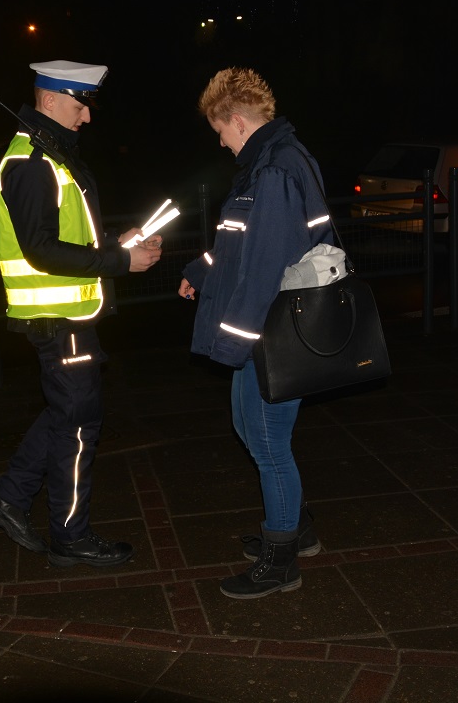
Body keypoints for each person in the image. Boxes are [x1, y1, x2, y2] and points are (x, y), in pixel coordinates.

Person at [0, 60, 162, 568]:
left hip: (66, 318)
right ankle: (70, 536)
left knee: (68, 415)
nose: (87, 116)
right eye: (82, 104)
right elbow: (41, 250)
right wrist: (119, 261)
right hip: (58, 321)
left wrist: (116, 243)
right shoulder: (32, 161)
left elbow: (65, 237)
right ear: (51, 100)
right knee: (79, 427)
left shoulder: (47, 153)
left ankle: (8, 499)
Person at [177, 68, 330, 599]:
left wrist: (231, 344)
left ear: (238, 121)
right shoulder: (268, 164)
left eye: (220, 130)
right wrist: (200, 272)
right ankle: (296, 527)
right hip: (267, 330)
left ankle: (282, 558)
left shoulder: (275, 171)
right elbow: (239, 244)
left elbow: (264, 270)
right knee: (250, 428)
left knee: (267, 442)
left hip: (272, 333)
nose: (220, 142)